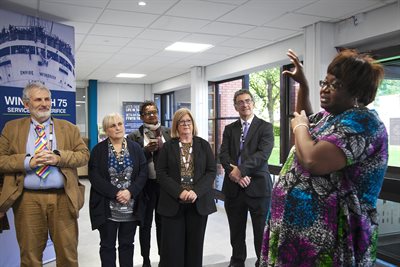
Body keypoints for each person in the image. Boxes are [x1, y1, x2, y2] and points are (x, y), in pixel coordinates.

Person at [260, 49, 388, 266]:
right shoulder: (331, 116)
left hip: (332, 236)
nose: (325, 89)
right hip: (298, 232)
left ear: (357, 92)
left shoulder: (363, 123)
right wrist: (304, 86)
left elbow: (313, 160)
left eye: (334, 85)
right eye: (324, 82)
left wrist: (299, 127)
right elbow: (307, 120)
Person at [0, 82, 89, 267]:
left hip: (63, 198)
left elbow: (84, 155)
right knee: (30, 256)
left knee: (68, 254)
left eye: (47, 99)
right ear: (26, 104)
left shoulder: (69, 128)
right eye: (38, 99)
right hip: (27, 200)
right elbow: (1, 159)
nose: (44, 103)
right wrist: (27, 162)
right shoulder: (11, 128)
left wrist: (59, 158)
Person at [219, 89, 274, 267]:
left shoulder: (265, 127)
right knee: (236, 230)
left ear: (253, 103)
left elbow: (262, 155)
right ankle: (237, 262)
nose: (245, 104)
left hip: (258, 188)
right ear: (235, 106)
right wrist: (235, 175)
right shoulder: (229, 129)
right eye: (241, 102)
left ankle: (262, 262)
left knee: (261, 231)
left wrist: (241, 170)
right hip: (234, 188)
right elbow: (224, 154)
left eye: (248, 101)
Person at [156, 108, 216, 267]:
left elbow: (211, 171)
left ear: (193, 124)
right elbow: (161, 173)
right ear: (176, 125)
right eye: (182, 122)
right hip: (173, 204)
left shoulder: (203, 145)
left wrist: (196, 191)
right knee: (173, 249)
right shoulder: (168, 146)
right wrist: (179, 191)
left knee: (195, 248)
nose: (185, 124)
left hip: (198, 203)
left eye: (188, 121)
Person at [88, 113, 148, 267]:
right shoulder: (98, 150)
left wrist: (130, 191)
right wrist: (115, 193)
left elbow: (143, 172)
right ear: (106, 130)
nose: (117, 128)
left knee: (127, 244)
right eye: (112, 125)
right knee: (107, 246)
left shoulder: (135, 148)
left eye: (120, 124)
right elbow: (94, 176)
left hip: (131, 207)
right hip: (107, 207)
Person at [127, 100, 170, 267]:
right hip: (145, 187)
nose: (152, 115)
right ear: (141, 116)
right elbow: (131, 162)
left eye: (154, 112)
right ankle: (145, 259)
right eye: (148, 113)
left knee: (163, 223)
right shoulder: (133, 136)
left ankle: (163, 258)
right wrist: (145, 151)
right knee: (145, 224)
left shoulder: (168, 132)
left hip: (164, 186)